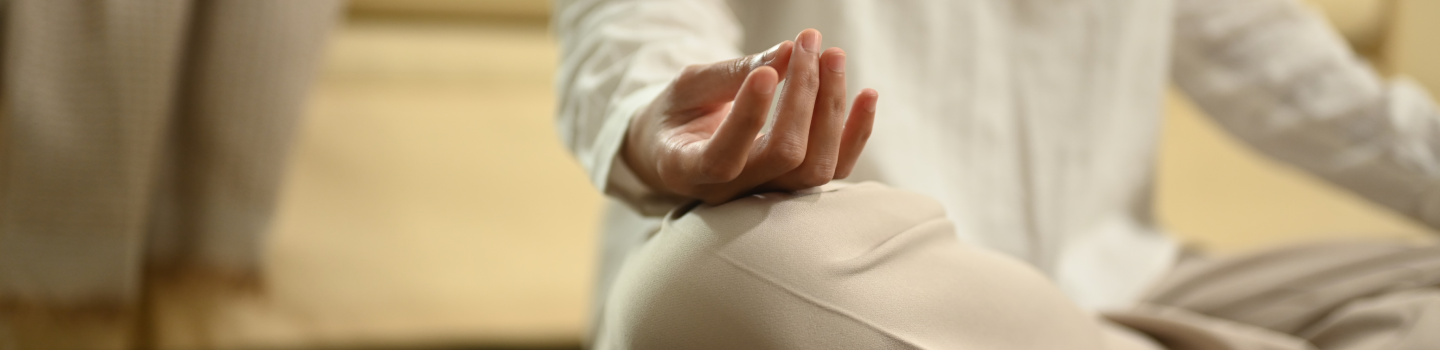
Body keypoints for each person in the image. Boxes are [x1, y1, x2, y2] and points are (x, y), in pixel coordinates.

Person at [553, 0, 1440, 348]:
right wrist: (653, 116)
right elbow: (628, 22)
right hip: (861, 271)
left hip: (1124, 284)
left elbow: (1311, 87)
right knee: (700, 288)